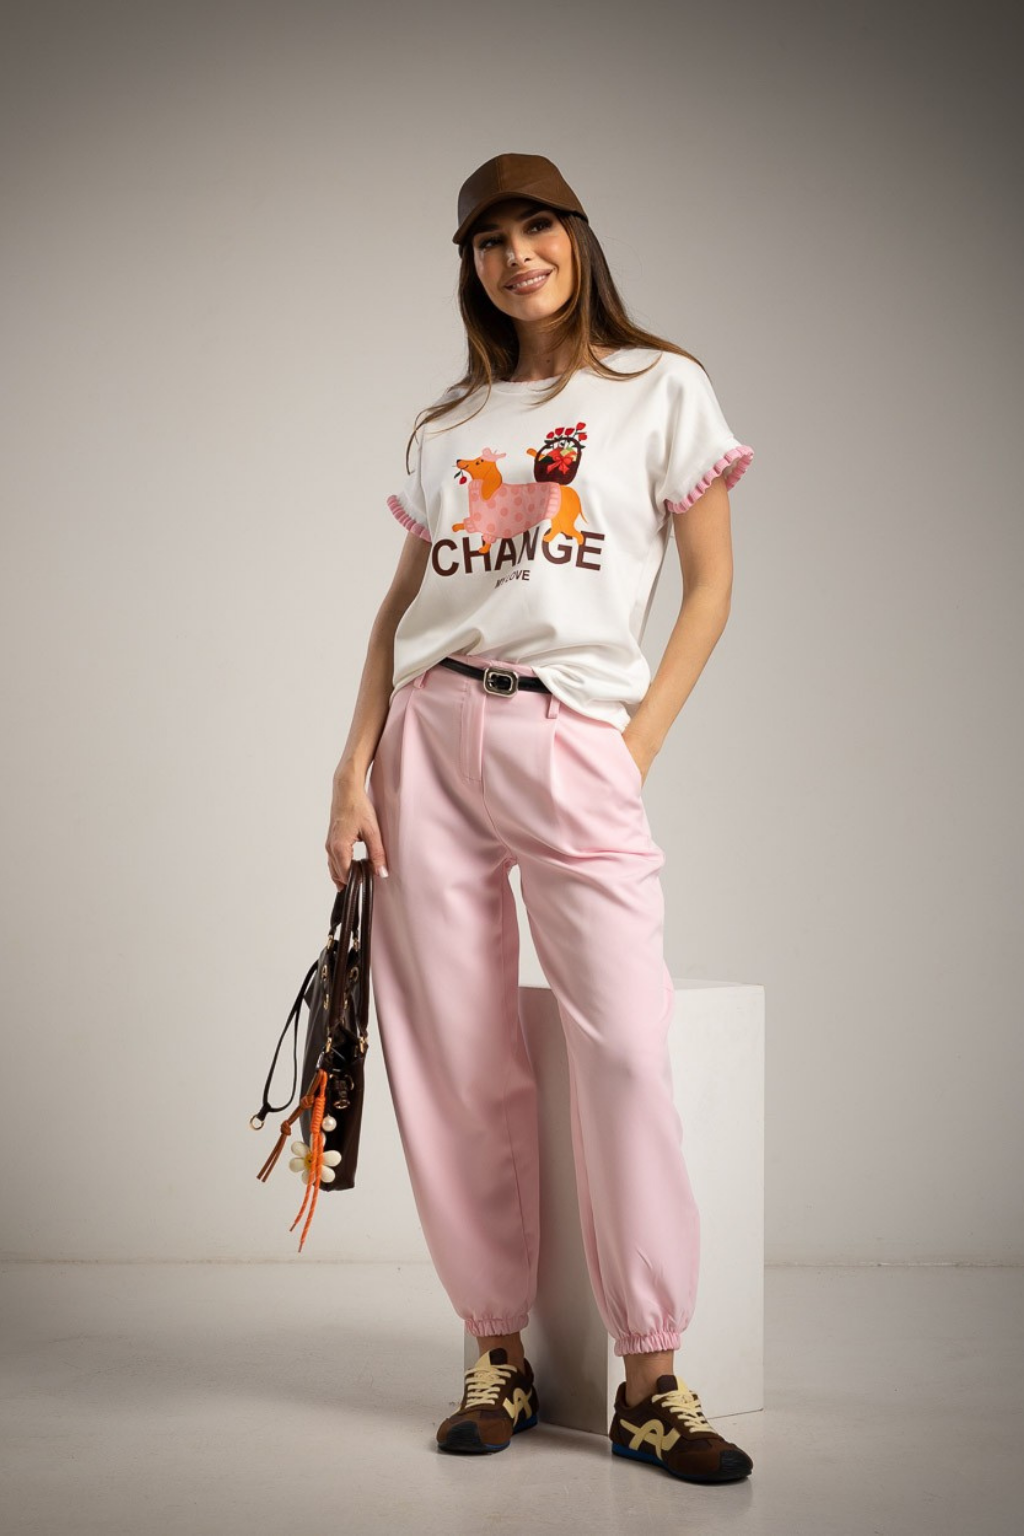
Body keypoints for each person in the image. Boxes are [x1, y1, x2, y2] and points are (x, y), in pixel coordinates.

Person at [325, 152, 755, 1484]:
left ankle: (651, 1380)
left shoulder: (659, 387)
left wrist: (633, 746)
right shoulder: (448, 425)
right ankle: (494, 1351)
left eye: (538, 229)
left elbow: (710, 586)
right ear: (469, 266)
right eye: (490, 240)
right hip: (429, 737)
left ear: (578, 238)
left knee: (624, 1041)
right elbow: (402, 608)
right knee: (456, 1057)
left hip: (573, 735)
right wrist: (350, 769)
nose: (518, 256)